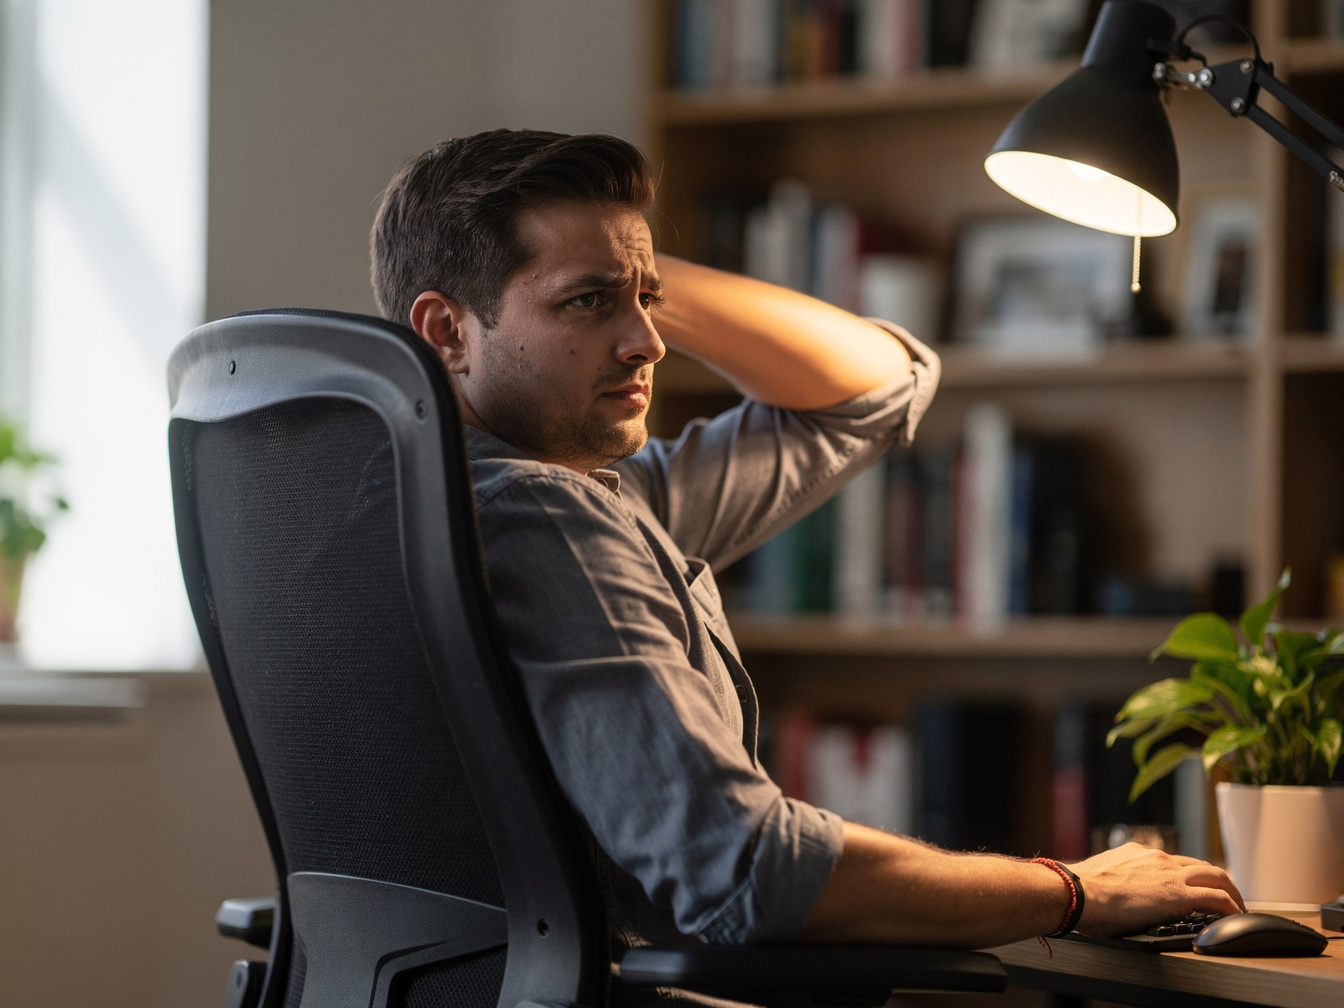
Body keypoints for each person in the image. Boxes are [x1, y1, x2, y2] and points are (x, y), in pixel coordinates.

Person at [369, 128, 1243, 966]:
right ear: (447, 330)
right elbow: (746, 872)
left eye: (649, 300)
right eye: (588, 302)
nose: (650, 342)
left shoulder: (440, 503)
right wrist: (1072, 890)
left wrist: (622, 263)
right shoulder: (548, 519)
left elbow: (878, 386)